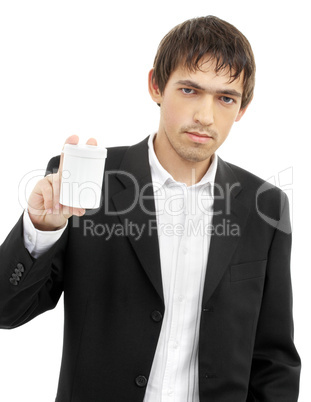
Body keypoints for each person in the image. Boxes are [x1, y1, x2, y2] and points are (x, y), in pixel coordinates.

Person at [0, 15, 301, 402]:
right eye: (190, 90)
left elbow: (274, 360)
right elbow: (7, 312)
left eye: (226, 97)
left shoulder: (266, 207)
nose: (206, 116)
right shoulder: (85, 183)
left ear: (242, 108)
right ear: (156, 85)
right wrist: (41, 229)